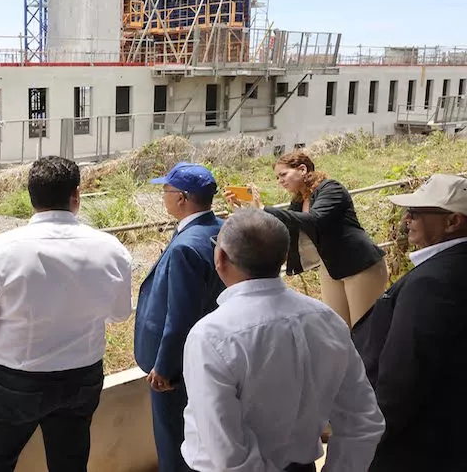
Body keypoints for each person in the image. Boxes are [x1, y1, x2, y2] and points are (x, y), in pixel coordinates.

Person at [0, 155, 133, 472]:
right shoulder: (110, 249)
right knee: (70, 465)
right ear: (76, 195)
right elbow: (119, 314)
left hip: (14, 381)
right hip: (81, 378)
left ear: (31, 197)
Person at [182, 208, 385, 472]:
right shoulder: (327, 320)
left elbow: (228, 456)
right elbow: (364, 420)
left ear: (219, 257)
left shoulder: (211, 336)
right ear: (284, 256)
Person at [353, 174, 467, 472]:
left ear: (453, 221)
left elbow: (403, 374)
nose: (406, 219)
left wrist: (368, 441)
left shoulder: (432, 282)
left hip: (418, 444)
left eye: (415, 212)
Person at [226, 150, 387, 327]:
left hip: (360, 264)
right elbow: (284, 228)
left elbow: (315, 220)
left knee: (364, 330)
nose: (280, 181)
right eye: (277, 178)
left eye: (283, 175)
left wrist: (264, 209)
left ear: (302, 169)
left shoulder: (331, 188)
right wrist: (246, 212)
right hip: (331, 266)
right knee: (338, 328)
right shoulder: (299, 201)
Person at [134, 161, 223, 472]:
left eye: (166, 190)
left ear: (182, 198)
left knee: (174, 442)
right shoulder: (221, 229)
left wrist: (165, 367)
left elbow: (180, 316)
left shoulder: (185, 247)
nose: (163, 196)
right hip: (209, 354)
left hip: (176, 370)